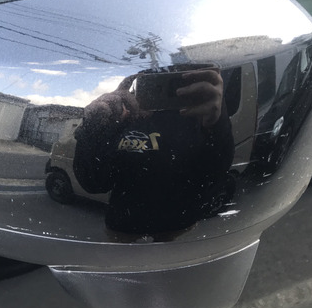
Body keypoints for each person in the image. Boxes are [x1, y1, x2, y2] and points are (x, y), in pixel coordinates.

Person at [73, 66, 235, 241]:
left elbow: (213, 180)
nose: (159, 90)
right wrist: (97, 120)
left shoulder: (197, 110)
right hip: (123, 233)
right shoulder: (127, 114)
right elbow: (94, 182)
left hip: (179, 233)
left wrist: (217, 125)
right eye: (150, 82)